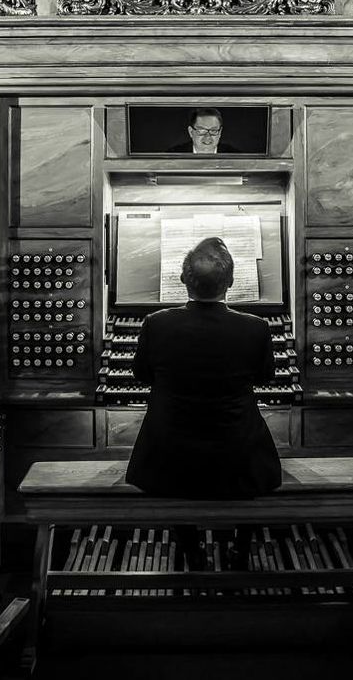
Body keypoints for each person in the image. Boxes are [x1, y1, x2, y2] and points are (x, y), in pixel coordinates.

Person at [125, 236, 281, 570]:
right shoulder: (256, 328)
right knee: (255, 458)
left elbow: (141, 375)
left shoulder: (156, 324)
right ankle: (240, 549)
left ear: (183, 280)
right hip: (238, 460)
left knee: (177, 468)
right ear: (232, 282)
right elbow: (265, 377)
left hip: (168, 461)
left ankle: (191, 551)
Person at [168, 107, 239, 154]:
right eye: (202, 130)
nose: (207, 136)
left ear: (220, 132)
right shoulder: (171, 156)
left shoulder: (238, 157)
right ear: (191, 132)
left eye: (213, 130)